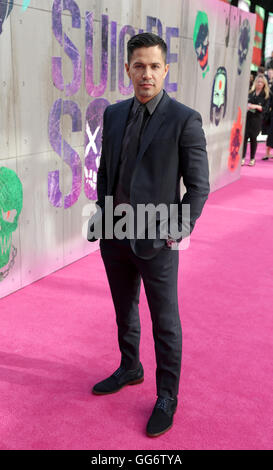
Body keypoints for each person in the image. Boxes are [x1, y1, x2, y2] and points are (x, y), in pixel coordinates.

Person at [88, 33, 210, 437]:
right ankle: (130, 367)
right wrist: (104, 217)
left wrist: (176, 231)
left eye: (155, 66)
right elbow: (108, 169)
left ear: (166, 70)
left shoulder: (184, 119)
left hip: (157, 241)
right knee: (124, 311)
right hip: (115, 237)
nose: (147, 74)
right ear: (127, 69)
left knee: (165, 323)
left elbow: (198, 186)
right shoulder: (114, 114)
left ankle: (167, 397)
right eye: (139, 65)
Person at [242, 74, 270, 166]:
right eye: (258, 81)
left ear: (264, 84)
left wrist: (256, 106)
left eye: (261, 82)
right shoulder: (251, 92)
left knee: (253, 138)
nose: (259, 83)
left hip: (257, 119)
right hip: (247, 118)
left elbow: (265, 108)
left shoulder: (266, 95)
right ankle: (242, 158)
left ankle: (252, 158)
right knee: (245, 138)